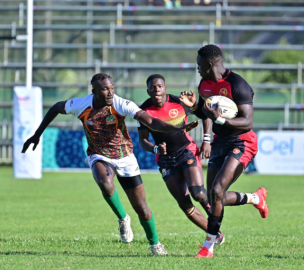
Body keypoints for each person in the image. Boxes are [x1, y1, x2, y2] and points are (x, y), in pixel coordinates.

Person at [22, 73, 199, 255]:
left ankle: (155, 244)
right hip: (99, 154)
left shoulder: (121, 104)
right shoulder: (80, 104)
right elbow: (56, 108)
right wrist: (37, 134)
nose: (110, 93)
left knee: (142, 209)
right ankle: (123, 218)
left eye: (112, 88)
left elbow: (151, 121)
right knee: (105, 183)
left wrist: (177, 128)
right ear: (94, 92)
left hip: (125, 156)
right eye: (105, 89)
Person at [180, 44, 269, 258]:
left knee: (218, 190)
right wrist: (194, 108)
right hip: (220, 142)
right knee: (213, 197)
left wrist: (219, 118)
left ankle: (208, 246)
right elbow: (205, 113)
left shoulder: (238, 85)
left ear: (210, 63)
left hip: (241, 141)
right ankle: (254, 198)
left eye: (200, 64)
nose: (198, 68)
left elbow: (247, 122)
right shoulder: (204, 84)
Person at [138, 74, 225, 245]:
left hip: (186, 151)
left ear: (165, 88)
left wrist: (207, 140)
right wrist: (155, 148)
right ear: (148, 90)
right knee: (185, 205)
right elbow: (143, 141)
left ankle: (213, 217)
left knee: (199, 194)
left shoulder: (179, 102)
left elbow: (205, 114)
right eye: (153, 87)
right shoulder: (143, 111)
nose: (157, 89)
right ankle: (215, 234)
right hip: (165, 160)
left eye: (160, 86)